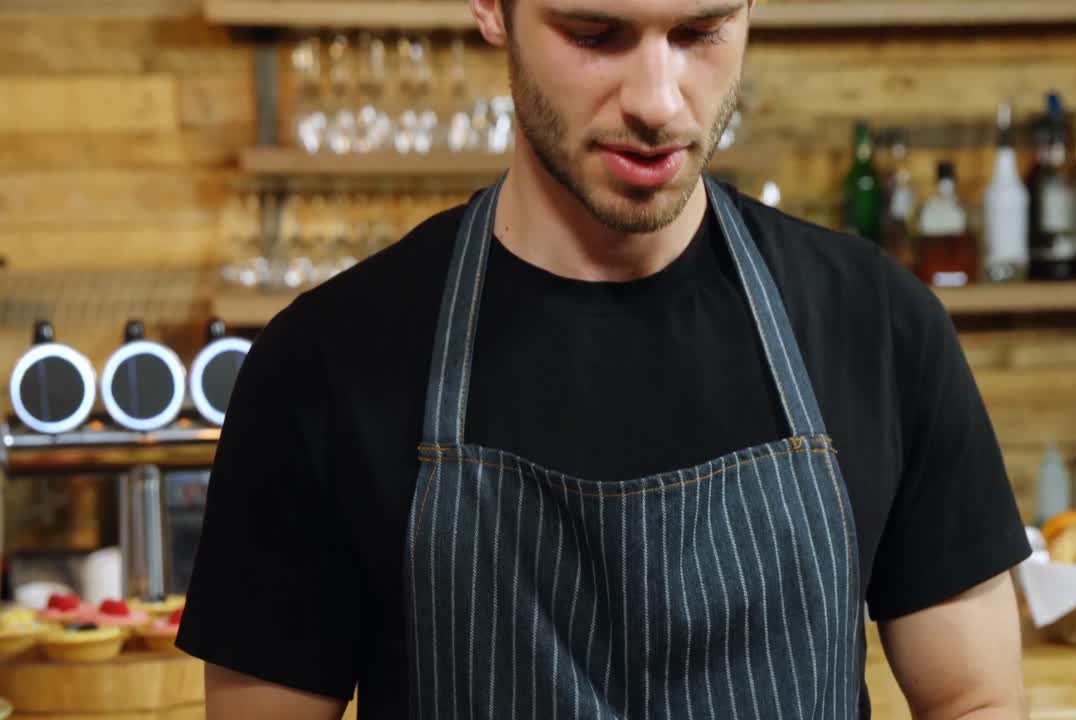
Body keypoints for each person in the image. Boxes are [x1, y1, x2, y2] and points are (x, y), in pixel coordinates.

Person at [176, 0, 1032, 717]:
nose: (658, 102)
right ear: (492, 9)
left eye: (700, 32)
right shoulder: (326, 361)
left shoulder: (876, 324)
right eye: (594, 34)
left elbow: (973, 702)